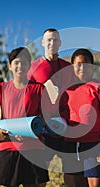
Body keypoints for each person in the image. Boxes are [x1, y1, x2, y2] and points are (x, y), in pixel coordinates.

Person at [0, 47, 50, 187]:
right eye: (16, 63)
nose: (20, 66)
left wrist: (33, 130)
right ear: (9, 66)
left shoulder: (38, 88)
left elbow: (47, 116)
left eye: (24, 63)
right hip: (8, 147)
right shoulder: (2, 88)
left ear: (29, 65)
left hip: (33, 148)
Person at [58, 48, 100, 187]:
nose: (82, 68)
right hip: (71, 145)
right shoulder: (66, 90)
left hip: (95, 145)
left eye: (86, 64)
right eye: (78, 64)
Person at [27, 28, 73, 161]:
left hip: (67, 124)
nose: (52, 43)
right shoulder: (32, 67)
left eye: (55, 40)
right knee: (41, 173)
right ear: (42, 42)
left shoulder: (68, 67)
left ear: (60, 43)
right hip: (43, 126)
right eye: (48, 40)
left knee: (70, 170)